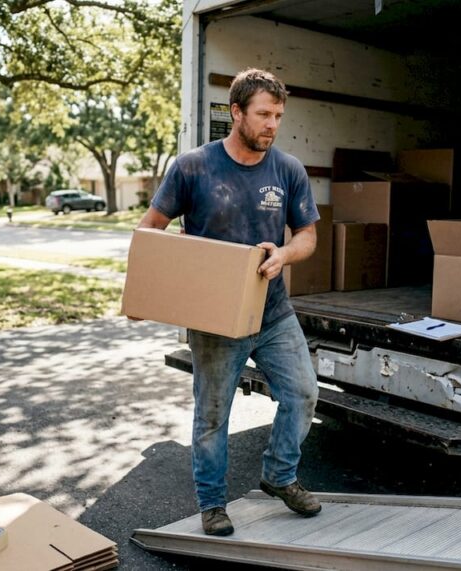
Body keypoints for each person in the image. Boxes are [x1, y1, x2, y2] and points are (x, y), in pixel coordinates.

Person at [137, 68, 322, 536]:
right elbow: (150, 230)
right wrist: (146, 289)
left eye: (278, 116)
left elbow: (307, 237)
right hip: (217, 319)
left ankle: (279, 476)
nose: (272, 125)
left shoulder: (288, 169)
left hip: (274, 311)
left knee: (303, 394)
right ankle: (213, 504)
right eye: (263, 114)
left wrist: (284, 254)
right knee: (213, 416)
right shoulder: (193, 167)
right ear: (236, 112)